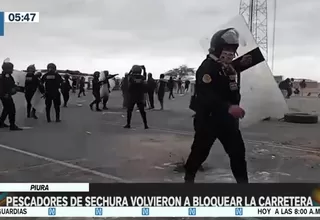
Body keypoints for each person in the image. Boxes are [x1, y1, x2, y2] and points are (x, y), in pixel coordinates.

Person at [184, 28, 251, 183]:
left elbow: (234, 93)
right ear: (217, 48)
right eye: (226, 49)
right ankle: (188, 180)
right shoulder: (206, 68)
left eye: (232, 50)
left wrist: (235, 75)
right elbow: (207, 96)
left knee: (238, 154)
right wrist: (229, 107)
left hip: (228, 122)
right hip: (208, 120)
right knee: (199, 153)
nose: (229, 53)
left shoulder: (229, 69)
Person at [124, 65, 148, 129]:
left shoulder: (131, 77)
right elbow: (145, 76)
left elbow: (127, 76)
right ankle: (145, 125)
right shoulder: (142, 77)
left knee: (129, 111)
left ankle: (128, 124)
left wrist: (130, 70)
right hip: (140, 96)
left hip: (132, 96)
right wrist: (144, 70)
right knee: (142, 111)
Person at [0, 62, 22, 130]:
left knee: (6, 109)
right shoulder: (3, 77)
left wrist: (18, 88)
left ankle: (1, 123)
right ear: (7, 69)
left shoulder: (8, 76)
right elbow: (1, 87)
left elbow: (12, 85)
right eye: (11, 68)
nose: (12, 70)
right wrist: (4, 94)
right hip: (5, 95)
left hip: (6, 95)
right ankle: (12, 125)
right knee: (12, 110)